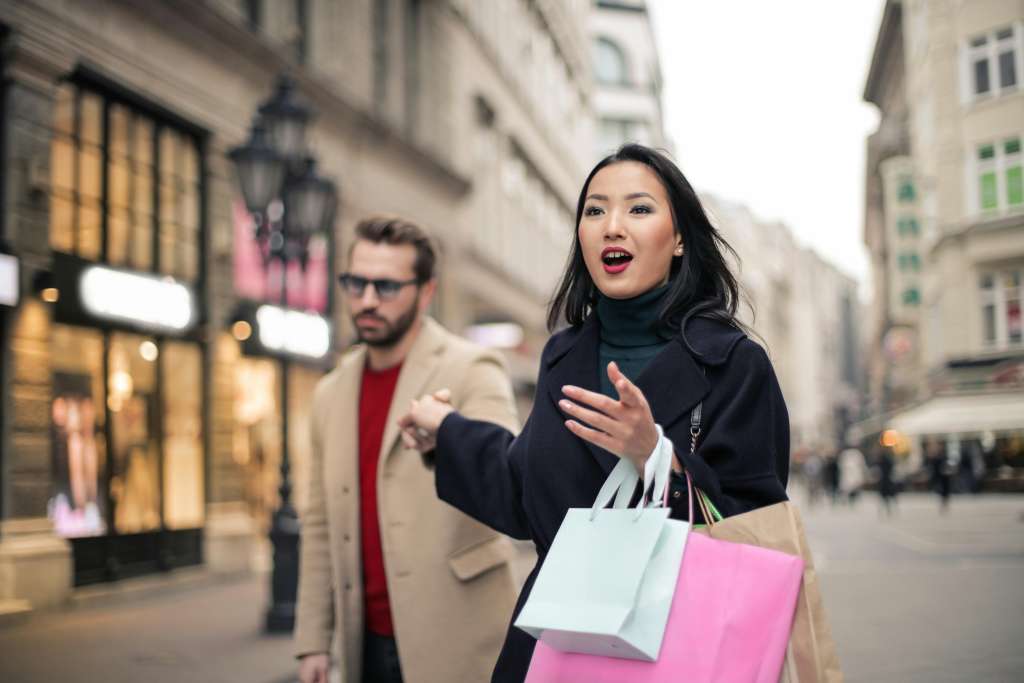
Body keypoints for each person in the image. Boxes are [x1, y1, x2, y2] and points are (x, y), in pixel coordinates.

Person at [399, 144, 791, 683]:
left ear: (679, 239)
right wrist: (447, 435)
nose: (612, 226)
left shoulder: (733, 364)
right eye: (595, 210)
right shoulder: (563, 355)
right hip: (560, 646)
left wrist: (656, 457)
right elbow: (523, 497)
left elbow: (759, 536)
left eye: (638, 209)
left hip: (679, 652)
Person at [294, 217, 522, 683]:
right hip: (366, 640)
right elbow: (319, 522)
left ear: (425, 292)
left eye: (387, 286)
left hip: (458, 633)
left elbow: (508, 478)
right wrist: (313, 640)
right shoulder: (331, 391)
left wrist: (450, 438)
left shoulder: (473, 367)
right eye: (356, 284)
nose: (368, 300)